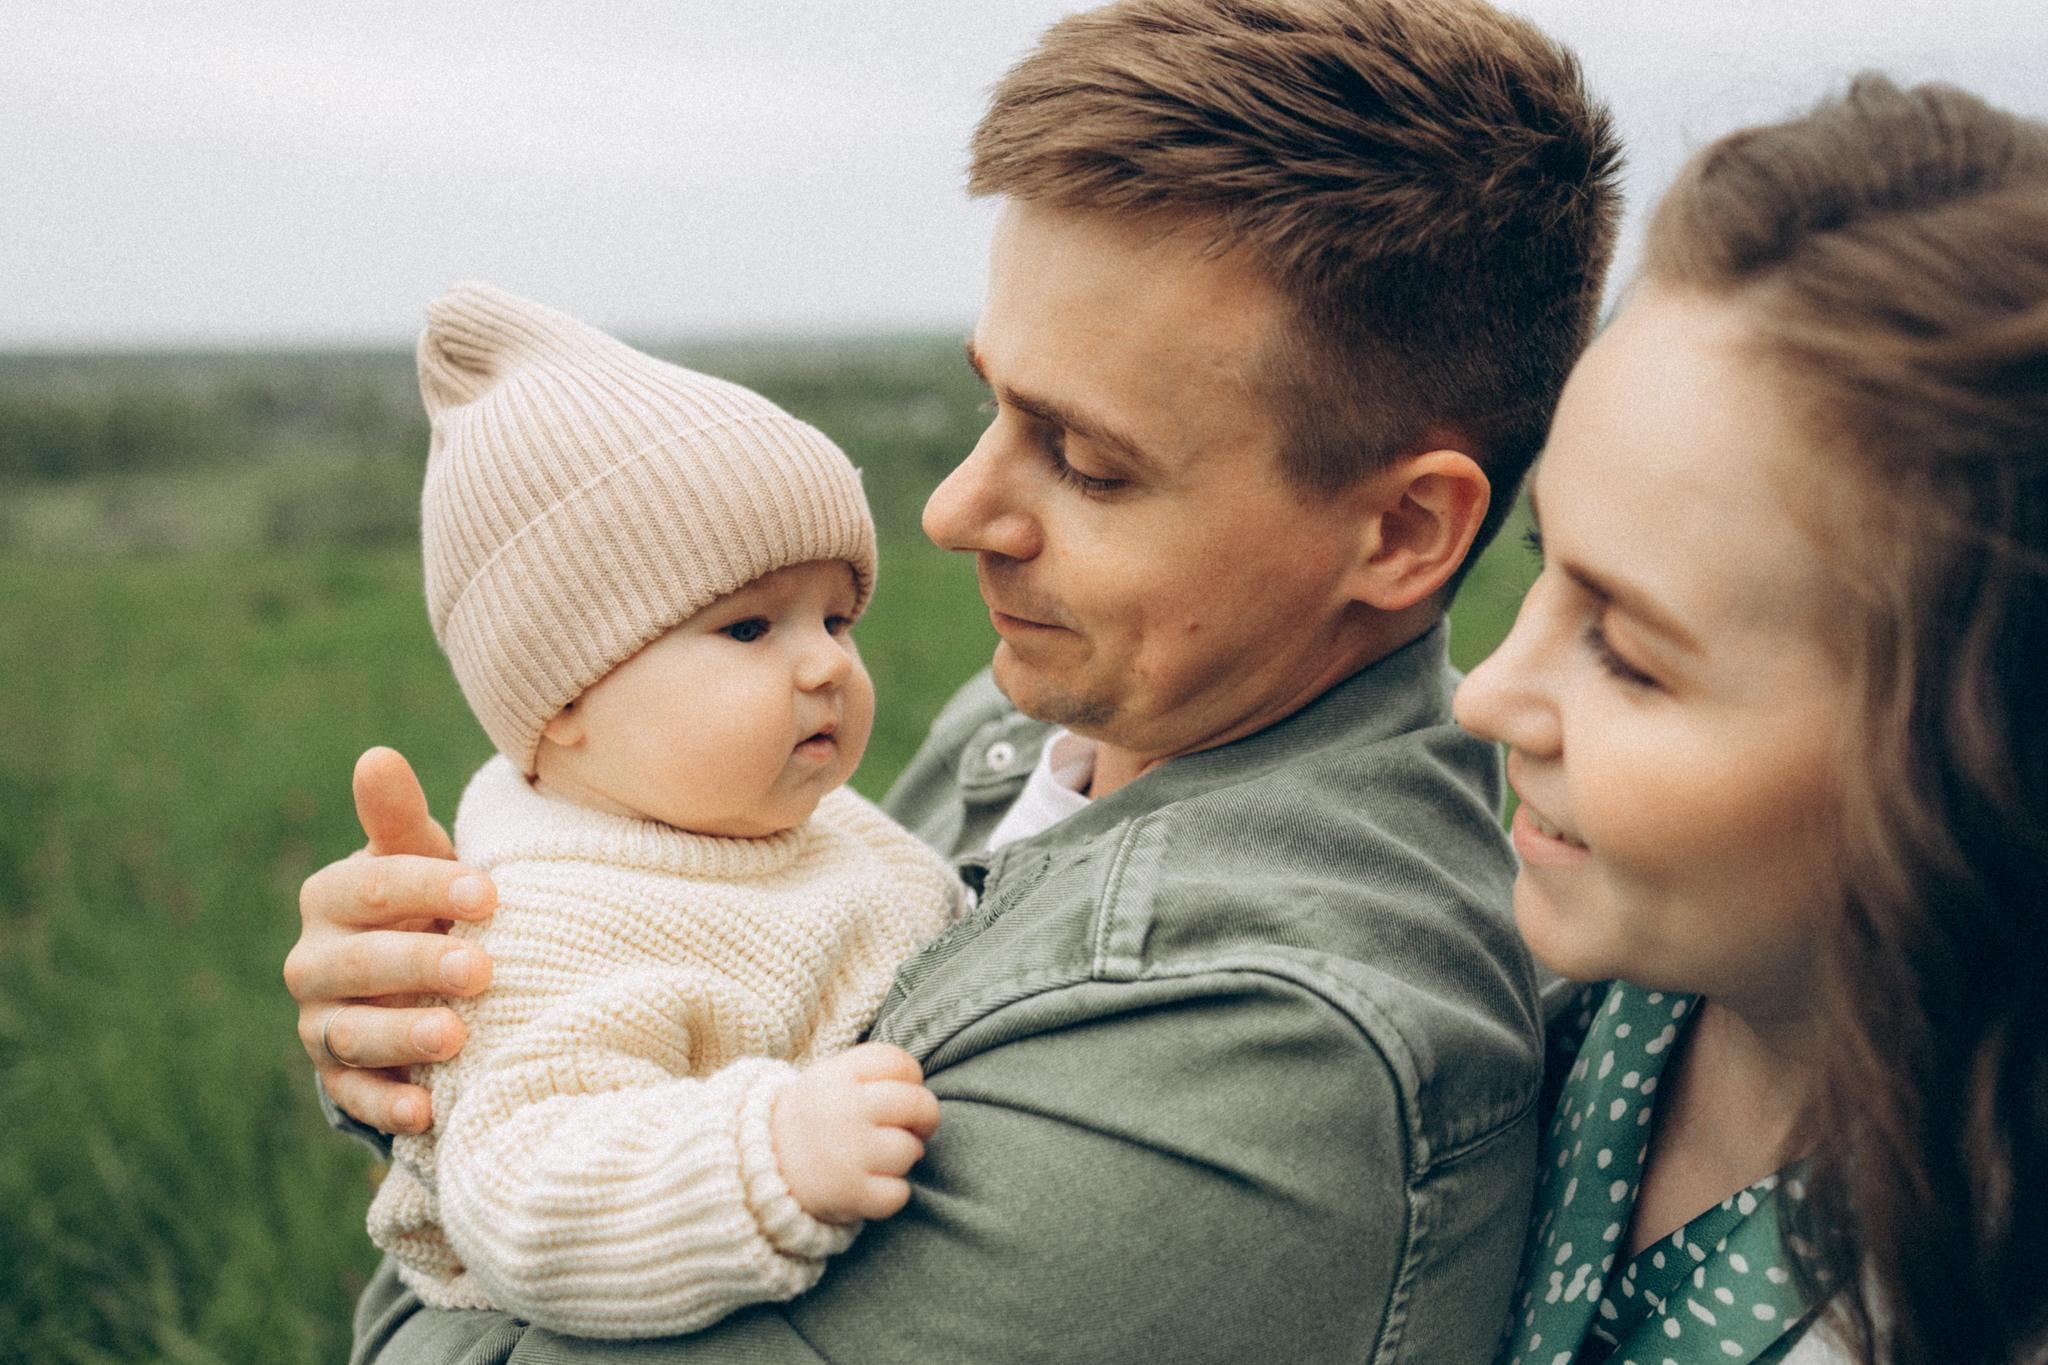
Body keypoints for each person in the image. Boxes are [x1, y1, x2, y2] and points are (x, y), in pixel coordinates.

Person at [285, 1, 1623, 1359]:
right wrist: (465, 1033)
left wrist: (443, 1206)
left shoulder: (1262, 1048)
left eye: (1089, 461)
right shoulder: (1040, 729)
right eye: (990, 401)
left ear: (1399, 533)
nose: (951, 507)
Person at [1454, 77, 2048, 1365]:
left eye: (1627, 654)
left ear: (1981, 754)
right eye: (1539, 567)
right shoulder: (1518, 1005)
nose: (1484, 693)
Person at [359, 281, 960, 1338]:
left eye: (834, 614)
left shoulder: (832, 831)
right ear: (568, 694)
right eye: (746, 630)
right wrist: (766, 1155)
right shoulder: (547, 925)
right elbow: (522, 1188)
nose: (823, 660)